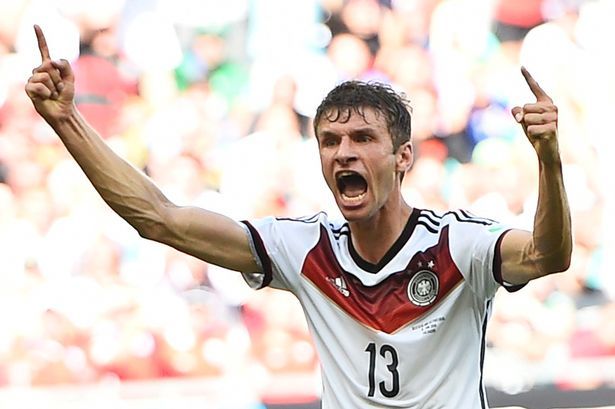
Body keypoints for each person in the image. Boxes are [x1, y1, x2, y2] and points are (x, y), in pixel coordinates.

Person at [25, 25, 572, 408]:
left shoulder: (459, 245)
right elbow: (159, 218)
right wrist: (67, 120)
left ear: (403, 157)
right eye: (330, 141)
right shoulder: (303, 248)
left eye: (363, 138)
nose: (344, 153)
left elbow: (548, 255)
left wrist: (548, 156)